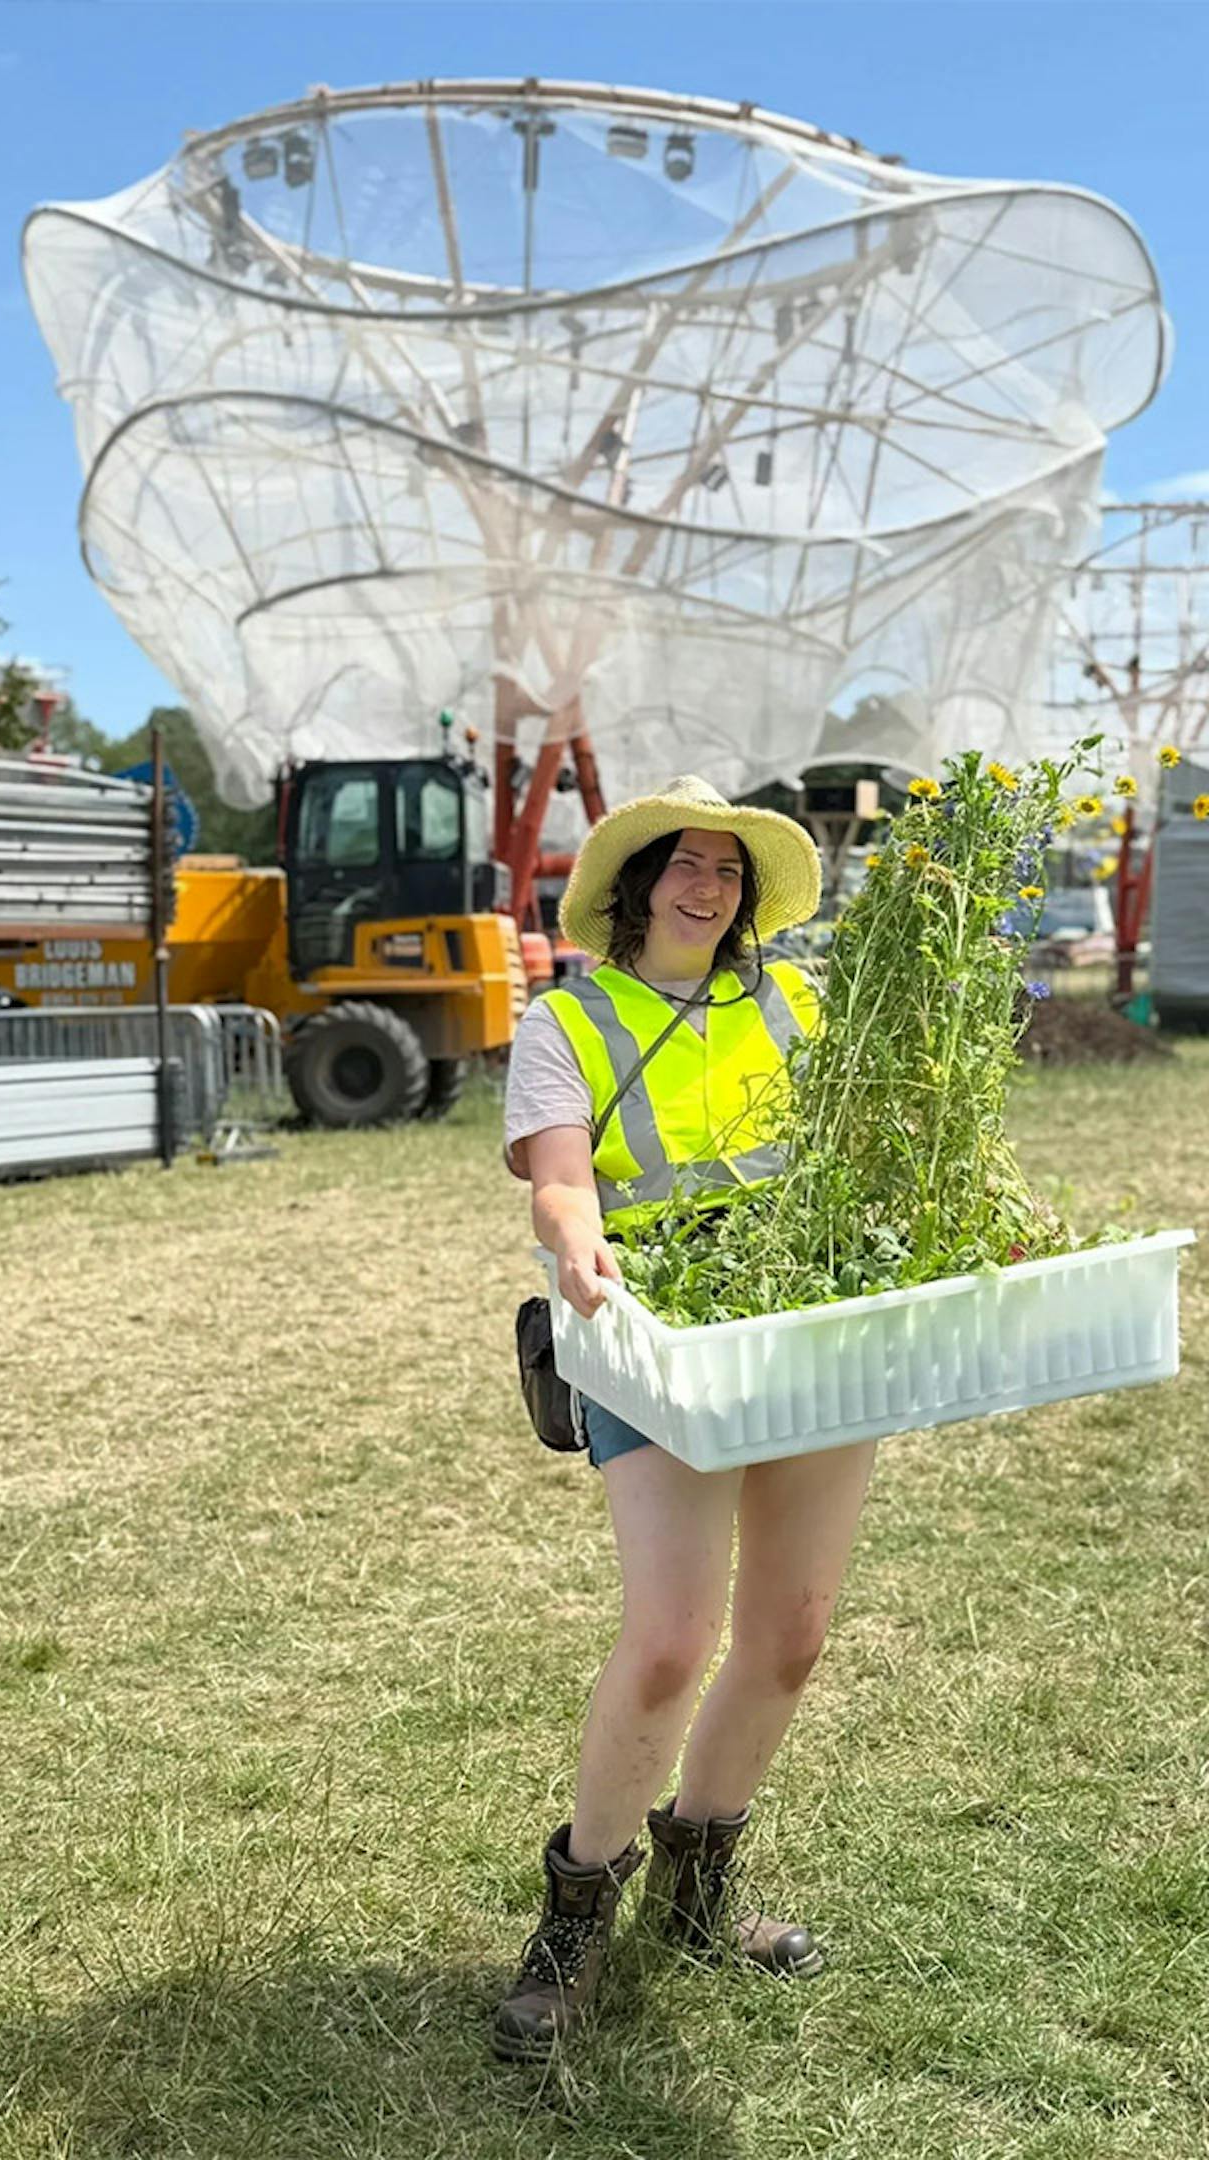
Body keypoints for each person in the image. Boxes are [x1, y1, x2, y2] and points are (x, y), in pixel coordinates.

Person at [492, 776, 840, 2063]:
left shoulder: (798, 1004)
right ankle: (575, 1918)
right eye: (684, 865)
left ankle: (701, 1889)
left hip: (806, 1333)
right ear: (636, 887)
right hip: (654, 1346)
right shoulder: (566, 1020)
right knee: (668, 1644)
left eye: (729, 871)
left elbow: (867, 1150)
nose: (708, 886)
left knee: (792, 1637)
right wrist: (580, 1256)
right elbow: (562, 1184)